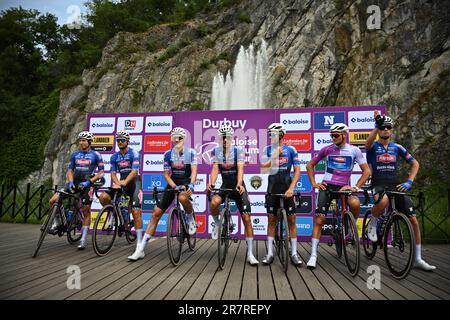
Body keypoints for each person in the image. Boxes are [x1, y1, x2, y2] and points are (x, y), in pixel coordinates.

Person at [365, 111, 436, 271]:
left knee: (413, 220)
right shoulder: (373, 147)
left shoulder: (397, 147)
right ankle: (373, 222)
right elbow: (367, 144)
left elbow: (415, 164)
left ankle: (417, 259)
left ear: (391, 130)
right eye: (383, 127)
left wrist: (410, 181)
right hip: (378, 183)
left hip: (395, 185)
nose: (385, 130)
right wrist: (376, 125)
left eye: (388, 127)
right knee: (382, 201)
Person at [305, 123, 371, 269]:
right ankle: (313, 255)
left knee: (355, 204)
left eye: (335, 135)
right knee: (320, 219)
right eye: (331, 135)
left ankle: (350, 227)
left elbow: (366, 171)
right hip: (327, 186)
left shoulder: (354, 150)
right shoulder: (327, 149)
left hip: (344, 187)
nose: (333, 138)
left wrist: (356, 187)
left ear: (344, 135)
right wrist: (314, 183)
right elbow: (309, 165)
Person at [128, 127, 198, 261]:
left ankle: (190, 218)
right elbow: (166, 174)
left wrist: (191, 185)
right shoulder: (167, 154)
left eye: (179, 138)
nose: (176, 140)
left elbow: (194, 171)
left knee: (183, 198)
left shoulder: (191, 153)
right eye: (174, 137)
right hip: (173, 182)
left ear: (184, 139)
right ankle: (140, 249)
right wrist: (173, 186)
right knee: (156, 213)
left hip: (186, 181)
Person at [208, 124, 258, 265]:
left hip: (238, 186)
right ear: (220, 138)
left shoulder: (238, 151)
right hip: (225, 186)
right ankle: (218, 224)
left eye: (228, 137)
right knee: (213, 203)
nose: (225, 140)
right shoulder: (216, 151)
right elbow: (215, 169)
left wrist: (239, 183)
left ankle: (250, 253)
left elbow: (241, 168)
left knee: (247, 219)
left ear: (232, 138)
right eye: (223, 137)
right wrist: (212, 182)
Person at [49, 131, 105, 250]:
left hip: (87, 185)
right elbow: (70, 170)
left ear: (89, 142)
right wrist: (70, 182)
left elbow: (101, 172)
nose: (81, 142)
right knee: (53, 200)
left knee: (86, 211)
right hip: (74, 183)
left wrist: (89, 182)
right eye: (80, 140)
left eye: (84, 140)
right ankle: (57, 221)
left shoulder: (96, 155)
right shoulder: (75, 154)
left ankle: (83, 239)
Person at [260, 123, 302, 266]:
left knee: (292, 221)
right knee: (271, 221)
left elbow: (297, 170)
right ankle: (270, 253)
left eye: (273, 134)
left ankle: (294, 253)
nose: (270, 136)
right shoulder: (267, 150)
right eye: (270, 134)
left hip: (287, 188)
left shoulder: (291, 150)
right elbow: (263, 170)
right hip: (272, 189)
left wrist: (291, 188)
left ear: (281, 136)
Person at [99, 130, 143, 252]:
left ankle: (140, 244)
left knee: (135, 211)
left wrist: (124, 182)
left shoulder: (134, 153)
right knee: (103, 197)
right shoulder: (114, 156)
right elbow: (113, 173)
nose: (119, 142)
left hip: (134, 182)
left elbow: (134, 172)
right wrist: (118, 183)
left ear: (127, 141)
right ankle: (113, 215)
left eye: (122, 140)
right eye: (118, 140)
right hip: (122, 181)